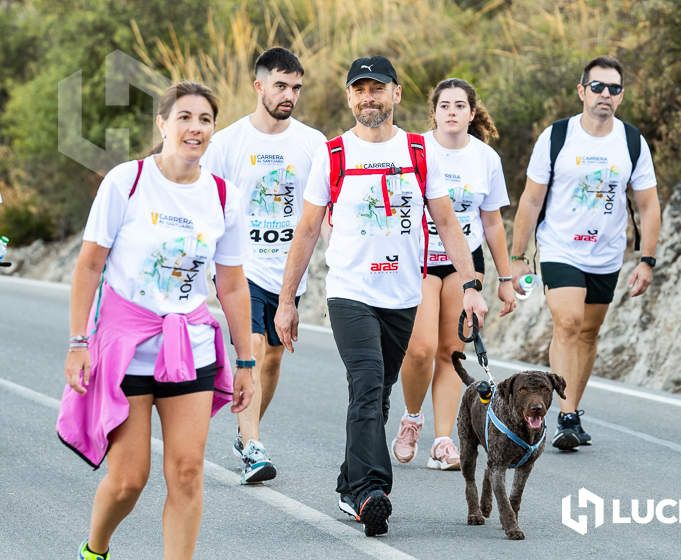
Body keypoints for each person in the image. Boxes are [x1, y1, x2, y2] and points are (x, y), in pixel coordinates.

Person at [275, 56, 488, 537]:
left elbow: (448, 222)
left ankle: (349, 484)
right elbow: (308, 229)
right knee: (369, 381)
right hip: (350, 292)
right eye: (359, 90)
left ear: (396, 94)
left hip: (402, 294)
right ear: (350, 97)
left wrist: (471, 284)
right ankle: (373, 491)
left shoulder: (418, 151)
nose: (368, 98)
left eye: (378, 89)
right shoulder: (333, 155)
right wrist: (288, 300)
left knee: (377, 392)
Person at [57, 81, 254, 560]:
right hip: (126, 346)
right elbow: (89, 266)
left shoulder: (223, 194)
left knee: (187, 473)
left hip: (190, 346)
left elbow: (230, 283)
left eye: (205, 120)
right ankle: (94, 550)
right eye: (184, 117)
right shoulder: (127, 181)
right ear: (162, 124)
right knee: (129, 480)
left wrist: (245, 359)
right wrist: (78, 340)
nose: (195, 128)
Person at [510, 56, 661, 451]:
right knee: (570, 322)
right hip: (561, 248)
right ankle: (564, 414)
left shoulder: (631, 142)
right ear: (582, 91)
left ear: (621, 96)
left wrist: (647, 259)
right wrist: (518, 255)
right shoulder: (557, 137)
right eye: (597, 87)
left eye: (613, 89)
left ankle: (572, 414)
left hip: (607, 255)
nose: (605, 95)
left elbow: (648, 204)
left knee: (590, 334)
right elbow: (530, 200)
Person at [202, 47, 326, 484]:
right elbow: (205, 201)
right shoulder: (229, 143)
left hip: (290, 270)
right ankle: (253, 444)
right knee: (252, 347)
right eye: (280, 85)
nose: (289, 94)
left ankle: (245, 432)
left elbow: (323, 211)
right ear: (259, 86)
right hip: (242, 267)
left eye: (295, 87)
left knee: (273, 356)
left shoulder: (313, 143)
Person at [391, 78, 516, 470]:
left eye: (460, 106)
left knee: (451, 351)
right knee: (421, 349)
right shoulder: (414, 149)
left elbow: (493, 223)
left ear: (471, 113)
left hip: (465, 264)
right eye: (445, 105)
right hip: (420, 259)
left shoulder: (485, 159)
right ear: (434, 113)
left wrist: (506, 279)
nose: (452, 112)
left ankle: (443, 440)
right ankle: (412, 417)